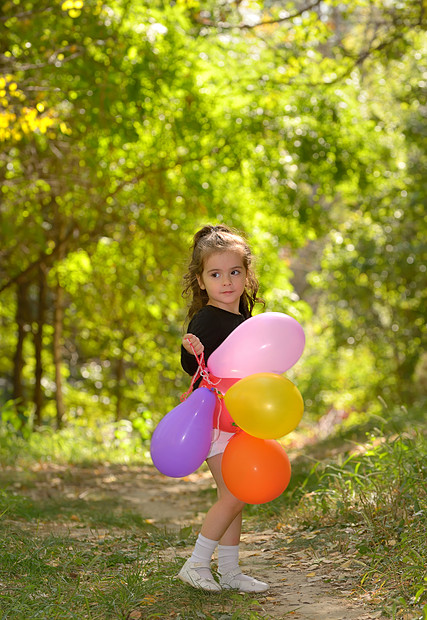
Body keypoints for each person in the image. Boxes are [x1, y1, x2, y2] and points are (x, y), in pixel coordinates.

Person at [177, 224, 268, 593]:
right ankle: (196, 563)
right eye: (216, 274)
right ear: (201, 281)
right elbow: (192, 366)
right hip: (215, 421)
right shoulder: (208, 318)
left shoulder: (243, 320)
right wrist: (192, 349)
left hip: (239, 419)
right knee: (236, 494)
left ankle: (230, 572)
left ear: (247, 275)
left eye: (235, 272)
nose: (226, 281)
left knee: (233, 499)